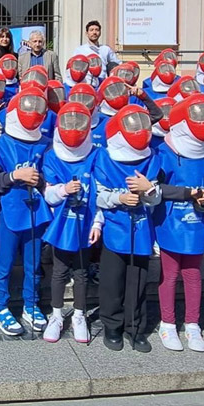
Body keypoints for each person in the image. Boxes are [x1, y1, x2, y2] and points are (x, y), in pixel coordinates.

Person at [90, 104, 163, 352]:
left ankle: (136, 328)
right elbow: (97, 195)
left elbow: (156, 196)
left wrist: (148, 190)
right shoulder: (104, 157)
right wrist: (118, 199)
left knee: (138, 281)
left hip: (141, 229)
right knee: (113, 282)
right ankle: (112, 325)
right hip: (114, 228)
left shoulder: (152, 157)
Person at [0, 90, 55, 336]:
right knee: (4, 263)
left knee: (33, 263)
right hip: (10, 210)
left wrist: (41, 180)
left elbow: (53, 174)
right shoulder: (3, 144)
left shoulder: (45, 143)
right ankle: (1, 305)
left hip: (37, 210)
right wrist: (16, 176)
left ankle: (31, 303)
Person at [152, 95, 204, 353]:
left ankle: (192, 324)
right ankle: (167, 323)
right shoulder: (164, 152)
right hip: (170, 222)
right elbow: (156, 188)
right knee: (169, 274)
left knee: (193, 274)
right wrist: (186, 193)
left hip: (196, 225)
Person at [40, 102, 97, 343]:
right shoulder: (52, 156)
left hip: (86, 222)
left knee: (81, 272)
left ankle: (80, 316)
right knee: (59, 272)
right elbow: (49, 194)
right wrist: (64, 189)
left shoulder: (96, 153)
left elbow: (101, 190)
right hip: (62, 225)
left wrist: (98, 223)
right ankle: (56, 315)